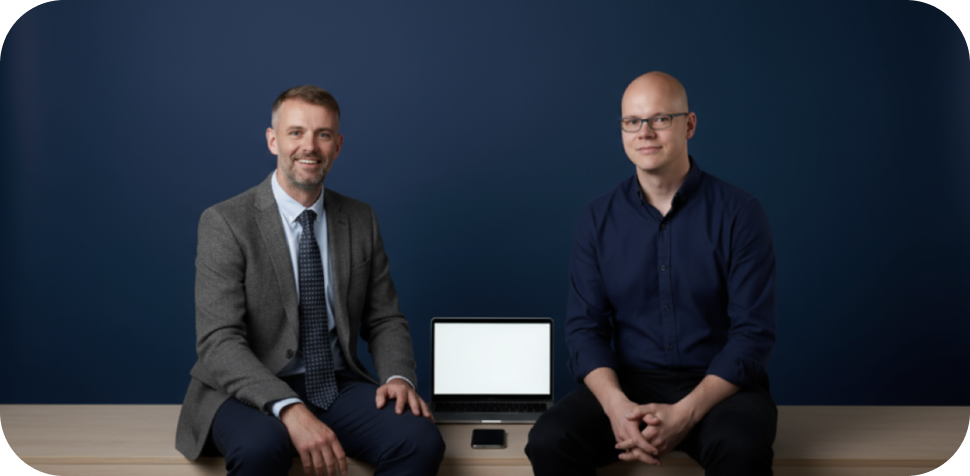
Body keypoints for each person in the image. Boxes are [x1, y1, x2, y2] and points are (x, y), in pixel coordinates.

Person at [175, 85, 445, 476]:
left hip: (335, 384)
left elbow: (385, 319)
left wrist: (398, 376)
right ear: (273, 141)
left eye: (322, 134)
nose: (310, 146)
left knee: (419, 440)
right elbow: (219, 343)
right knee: (262, 448)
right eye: (296, 132)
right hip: (244, 389)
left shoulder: (360, 219)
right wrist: (289, 408)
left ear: (337, 145)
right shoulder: (225, 222)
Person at [525, 72, 778, 475]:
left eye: (660, 119)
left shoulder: (741, 214)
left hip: (719, 388)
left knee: (741, 448)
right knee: (549, 441)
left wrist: (686, 413)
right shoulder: (596, 219)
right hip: (627, 386)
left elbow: (753, 334)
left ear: (689, 125)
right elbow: (584, 329)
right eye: (632, 121)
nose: (645, 132)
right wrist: (615, 406)